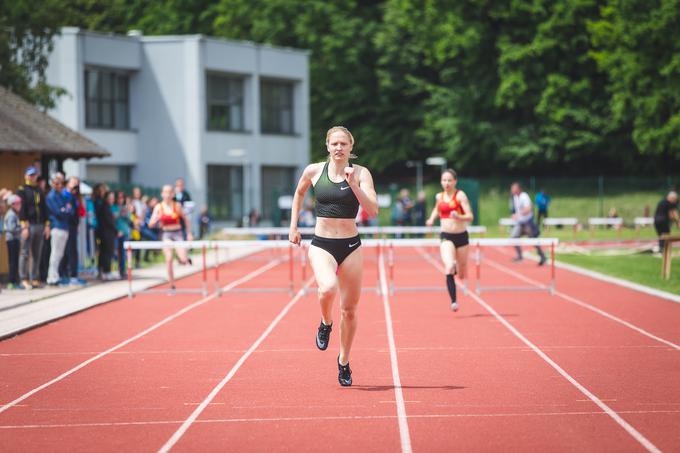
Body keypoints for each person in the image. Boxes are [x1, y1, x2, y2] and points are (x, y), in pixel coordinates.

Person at [289, 126, 378, 387]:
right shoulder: (314, 171)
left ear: (351, 147)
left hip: (351, 246)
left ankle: (343, 361)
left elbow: (372, 211)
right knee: (327, 288)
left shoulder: (361, 174)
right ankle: (325, 323)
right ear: (327, 146)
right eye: (334, 143)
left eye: (343, 144)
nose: (339, 148)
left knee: (349, 311)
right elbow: (299, 193)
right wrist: (293, 226)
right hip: (322, 244)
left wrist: (354, 186)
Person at [425, 170, 474, 311]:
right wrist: (431, 218)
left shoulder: (460, 196)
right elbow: (436, 209)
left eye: (449, 180)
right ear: (441, 182)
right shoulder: (439, 196)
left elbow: (470, 216)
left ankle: (458, 268)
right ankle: (454, 301)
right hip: (446, 236)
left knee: (462, 272)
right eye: (444, 180)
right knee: (449, 266)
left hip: (461, 236)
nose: (446, 183)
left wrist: (459, 217)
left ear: (455, 182)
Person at [148, 185, 193, 291]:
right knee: (168, 259)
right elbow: (150, 224)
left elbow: (186, 219)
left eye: (169, 192)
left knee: (183, 259)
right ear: (162, 194)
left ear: (173, 194)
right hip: (166, 234)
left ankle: (184, 257)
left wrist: (189, 233)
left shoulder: (177, 206)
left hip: (177, 233)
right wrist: (157, 219)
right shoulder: (159, 207)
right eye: (165, 192)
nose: (167, 195)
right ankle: (171, 284)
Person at [17, 166, 50, 289]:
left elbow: (44, 209)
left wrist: (47, 225)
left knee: (37, 253)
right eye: (30, 175)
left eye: (34, 175)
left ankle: (34, 278)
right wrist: (24, 226)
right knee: (25, 253)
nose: (32, 177)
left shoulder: (39, 190)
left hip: (40, 224)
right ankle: (23, 278)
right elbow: (22, 209)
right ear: (26, 176)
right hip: (28, 225)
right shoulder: (22, 190)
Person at [510, 182, 547, 265]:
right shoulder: (515, 197)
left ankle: (542, 256)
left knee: (532, 239)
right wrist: (515, 215)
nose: (511, 190)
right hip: (520, 222)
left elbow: (529, 209)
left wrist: (518, 214)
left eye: (513, 188)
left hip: (527, 222)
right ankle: (520, 256)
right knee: (514, 237)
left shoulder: (524, 196)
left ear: (518, 189)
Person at [45, 173, 72, 286]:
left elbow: (70, 210)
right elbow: (58, 212)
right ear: (52, 183)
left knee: (60, 254)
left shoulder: (62, 195)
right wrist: (65, 210)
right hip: (56, 226)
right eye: (56, 183)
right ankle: (51, 277)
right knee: (55, 253)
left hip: (64, 227)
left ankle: (56, 275)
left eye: (60, 183)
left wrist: (65, 210)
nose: (59, 185)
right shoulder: (51, 196)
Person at [60, 176, 86, 285]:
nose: (75, 185)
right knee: (66, 251)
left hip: (73, 227)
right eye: (73, 183)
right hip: (65, 226)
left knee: (72, 251)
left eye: (77, 183)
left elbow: (81, 212)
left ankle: (73, 275)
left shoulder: (76, 196)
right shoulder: (64, 194)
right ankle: (65, 274)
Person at [94, 185, 118, 281]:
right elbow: (109, 221)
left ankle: (105, 271)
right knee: (106, 252)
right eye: (110, 198)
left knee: (106, 252)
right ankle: (106, 271)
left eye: (113, 198)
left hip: (107, 233)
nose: (112, 200)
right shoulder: (104, 207)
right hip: (106, 233)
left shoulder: (108, 207)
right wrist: (116, 231)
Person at [4, 195, 23, 289]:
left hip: (16, 239)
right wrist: (21, 228)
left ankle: (15, 281)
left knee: (15, 261)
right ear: (12, 205)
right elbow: (11, 229)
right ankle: (12, 281)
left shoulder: (15, 213)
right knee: (13, 261)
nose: (19, 205)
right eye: (17, 203)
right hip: (12, 240)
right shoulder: (11, 214)